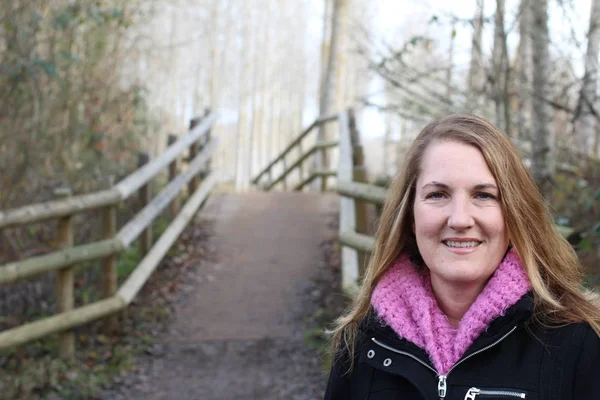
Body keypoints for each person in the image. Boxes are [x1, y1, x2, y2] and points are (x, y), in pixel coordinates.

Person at [324, 114, 600, 400]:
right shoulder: (361, 344)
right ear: (409, 215)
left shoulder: (580, 342)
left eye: (483, 195)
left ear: (514, 214)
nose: (459, 219)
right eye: (437, 195)